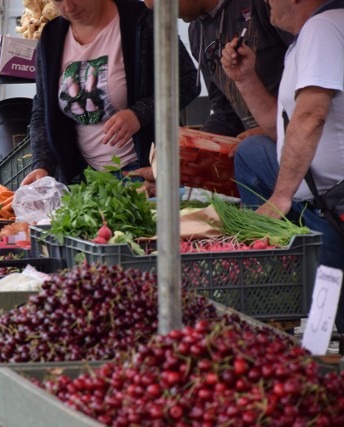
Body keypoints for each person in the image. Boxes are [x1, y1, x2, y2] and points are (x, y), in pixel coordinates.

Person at [221, 0, 344, 328]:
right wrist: (244, 79)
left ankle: (323, 337)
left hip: (332, 205)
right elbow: (283, 128)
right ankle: (280, 275)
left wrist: (281, 196)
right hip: (317, 197)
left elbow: (310, 115)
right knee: (253, 153)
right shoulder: (308, 37)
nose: (265, 2)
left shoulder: (324, 28)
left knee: (326, 332)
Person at [21, 0, 200, 186]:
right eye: (58, 0)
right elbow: (42, 110)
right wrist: (42, 165)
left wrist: (139, 114)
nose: (68, 7)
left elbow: (188, 81)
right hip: (85, 179)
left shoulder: (143, 20)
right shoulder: (52, 36)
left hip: (146, 172)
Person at [145, 0, 293, 140]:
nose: (165, 17)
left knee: (249, 150)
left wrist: (272, 129)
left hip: (296, 133)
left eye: (163, 7)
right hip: (254, 142)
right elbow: (225, 113)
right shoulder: (196, 32)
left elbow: (310, 71)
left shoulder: (264, 4)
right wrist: (194, 145)